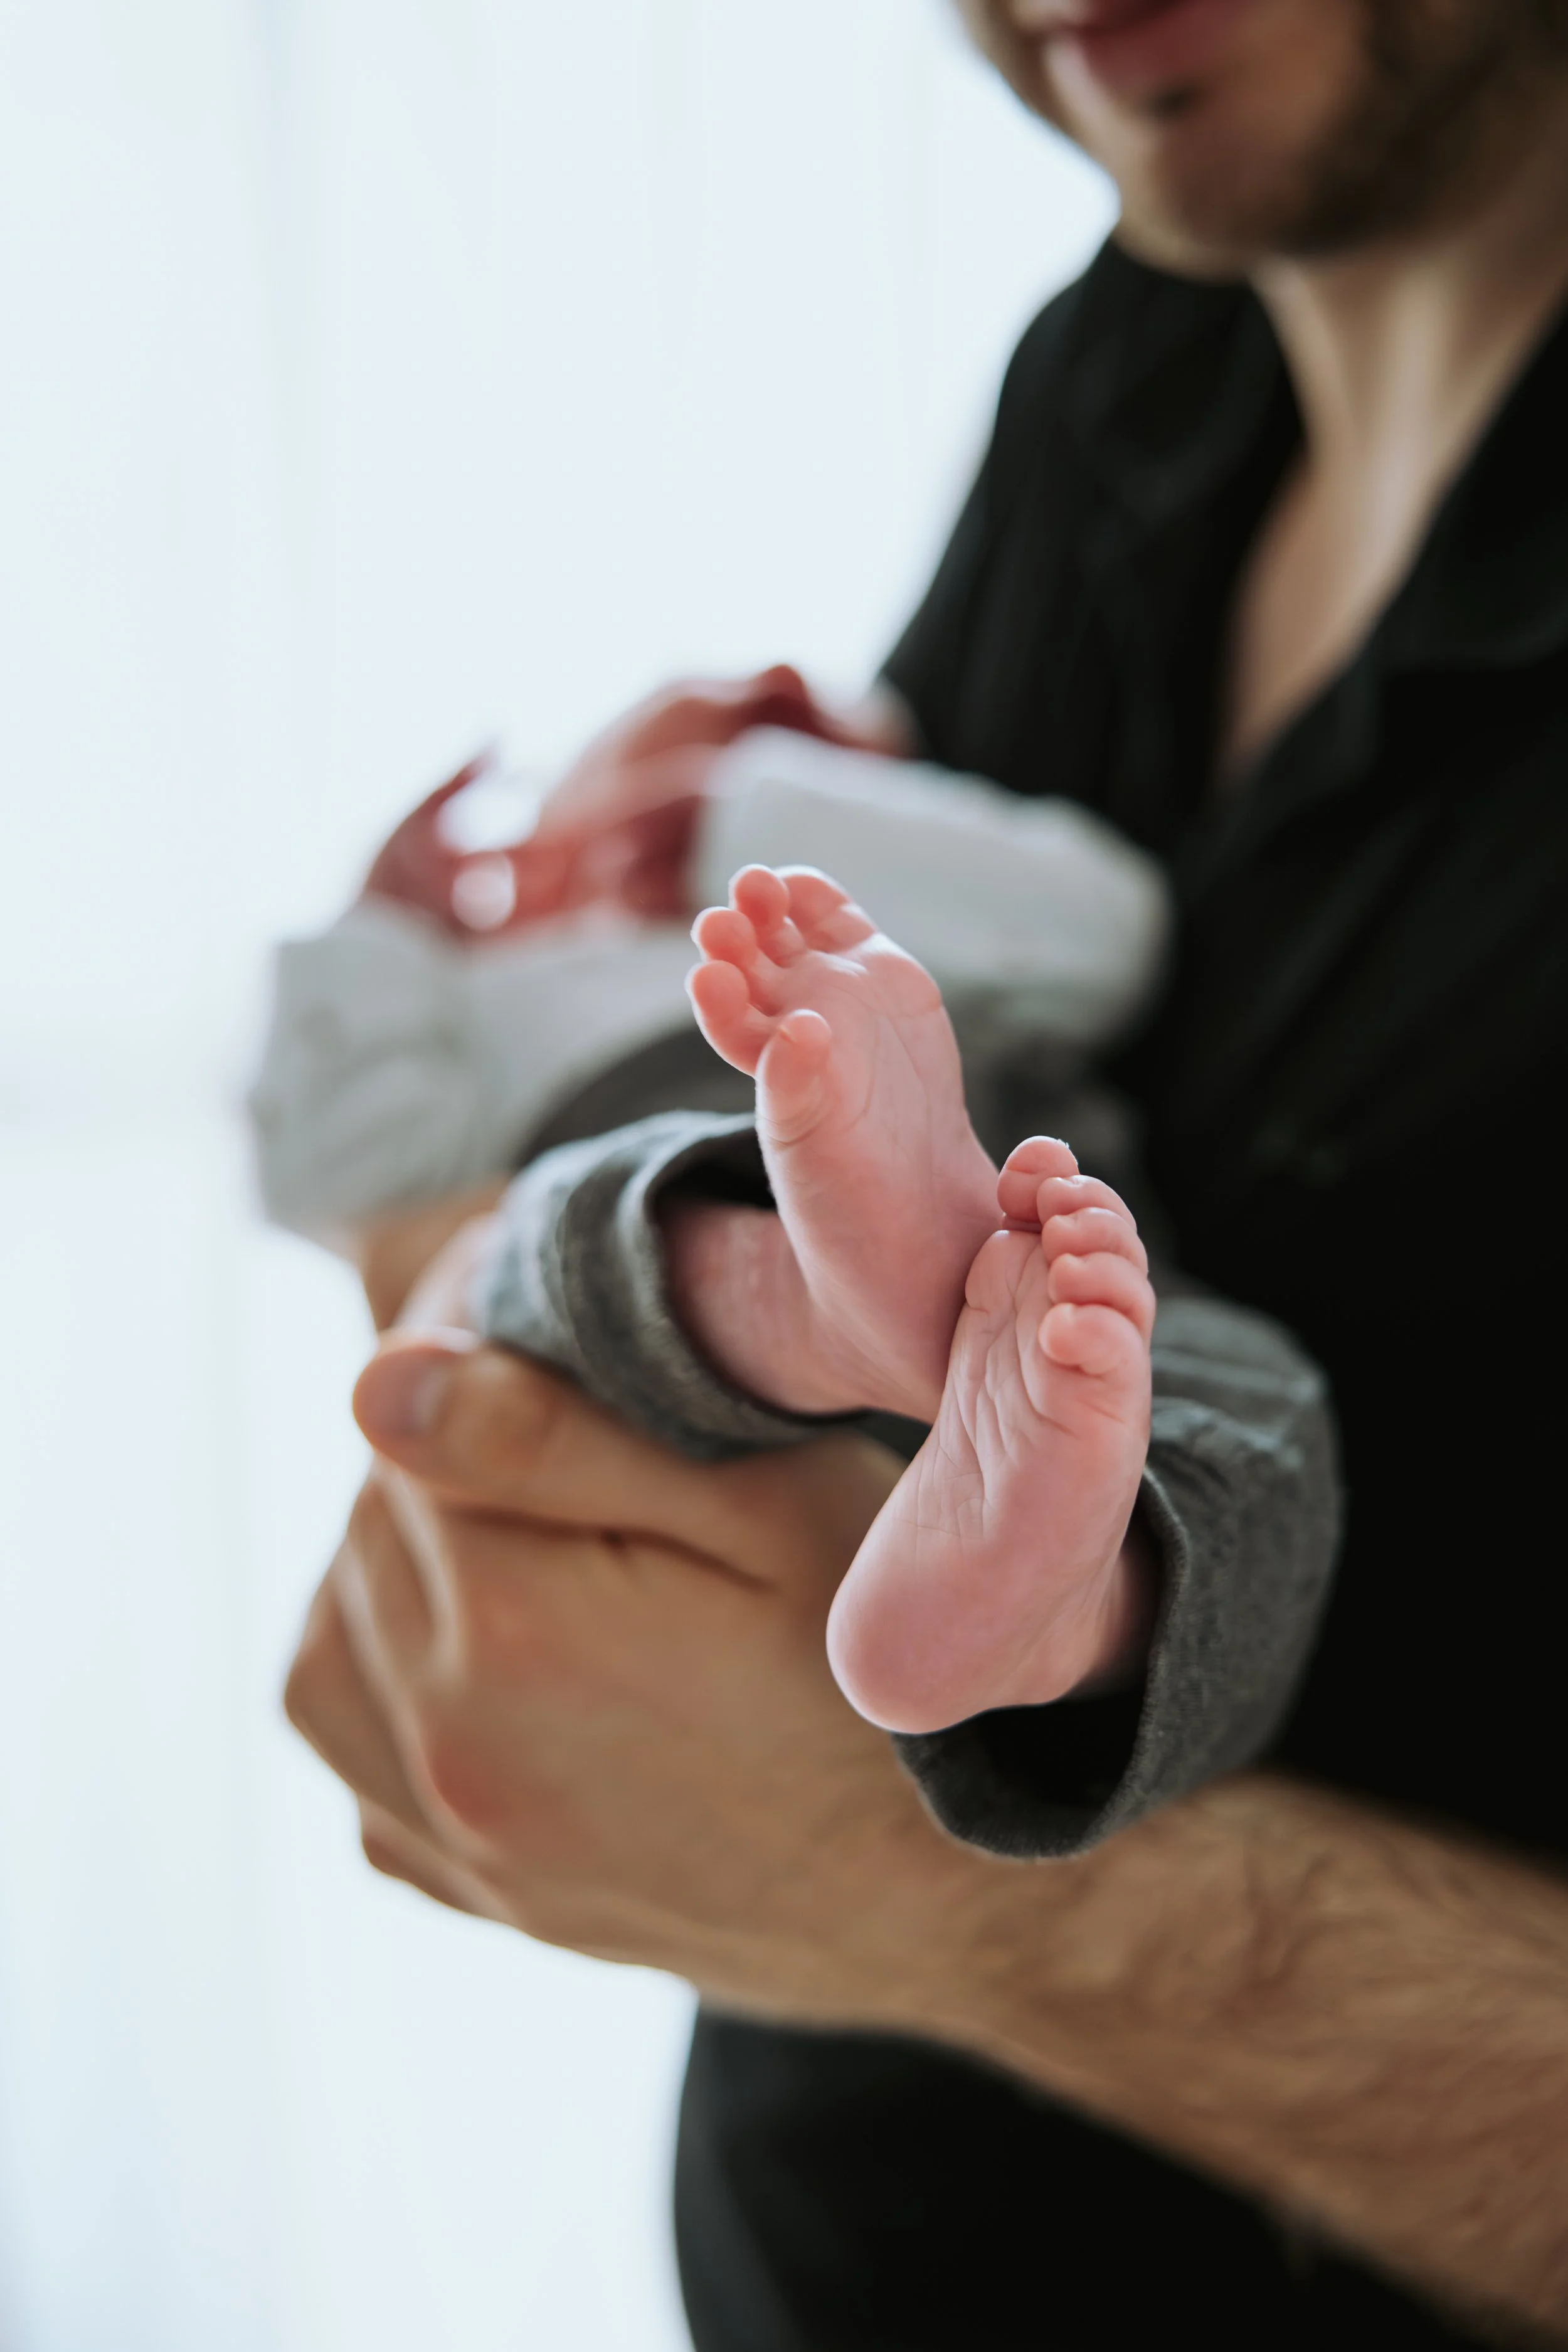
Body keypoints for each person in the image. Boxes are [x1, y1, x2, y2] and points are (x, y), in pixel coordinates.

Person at [284, 0, 1568, 2340]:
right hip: (827, 2254)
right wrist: (449, 992)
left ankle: (1023, 1574)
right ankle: (874, 1378)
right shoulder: (1129, 370)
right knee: (848, 1264)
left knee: (1154, 1395)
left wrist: (912, 1889)